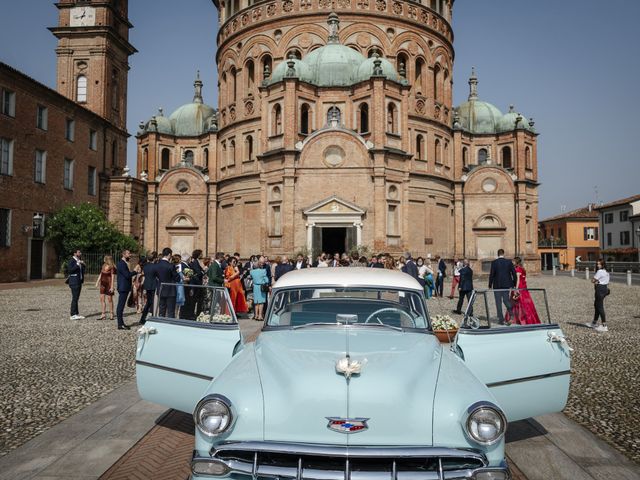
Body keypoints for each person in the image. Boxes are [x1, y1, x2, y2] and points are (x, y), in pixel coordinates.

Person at [506, 257, 540, 325]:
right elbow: (525, 279)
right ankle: (527, 318)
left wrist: (516, 289)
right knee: (526, 304)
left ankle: (518, 319)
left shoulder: (517, 269)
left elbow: (518, 280)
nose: (512, 263)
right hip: (524, 288)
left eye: (513, 261)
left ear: (516, 262)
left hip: (519, 288)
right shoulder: (523, 269)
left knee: (517, 303)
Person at [488, 249, 517, 325]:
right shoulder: (508, 262)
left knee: (498, 302)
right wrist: (514, 284)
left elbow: (492, 274)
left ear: (498, 254)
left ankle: (501, 320)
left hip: (497, 285)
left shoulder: (494, 262)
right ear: (503, 254)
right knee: (506, 300)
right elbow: (514, 273)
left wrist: (490, 284)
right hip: (506, 285)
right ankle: (511, 314)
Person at [115, 250, 139, 330]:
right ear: (124, 254)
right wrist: (135, 271)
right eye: (129, 253)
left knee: (121, 306)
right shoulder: (121, 264)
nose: (130, 255)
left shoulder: (123, 263)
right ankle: (120, 324)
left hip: (124, 287)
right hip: (123, 287)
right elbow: (127, 275)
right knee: (120, 306)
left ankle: (121, 323)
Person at [586, 259, 610, 332]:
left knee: (599, 307)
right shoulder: (606, 271)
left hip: (600, 289)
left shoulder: (599, 271)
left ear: (602, 264)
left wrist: (595, 281)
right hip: (605, 288)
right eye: (597, 264)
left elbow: (593, 280)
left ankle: (604, 325)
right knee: (596, 305)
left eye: (599, 264)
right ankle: (594, 322)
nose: (598, 265)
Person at [155, 247, 179, 318]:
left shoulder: (157, 265)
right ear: (169, 255)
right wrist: (177, 272)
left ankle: (161, 324)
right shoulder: (171, 266)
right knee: (171, 311)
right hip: (170, 291)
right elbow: (177, 278)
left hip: (161, 289)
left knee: (161, 310)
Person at [139, 252, 158, 325]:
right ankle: (152, 318)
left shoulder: (145, 266)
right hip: (153, 285)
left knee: (148, 303)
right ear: (154, 259)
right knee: (153, 303)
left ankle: (142, 318)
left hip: (147, 285)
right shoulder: (155, 266)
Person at [67, 249, 86, 320]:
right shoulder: (72, 260)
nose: (80, 253)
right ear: (75, 253)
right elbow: (70, 270)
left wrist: (83, 265)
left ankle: (76, 313)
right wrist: (77, 264)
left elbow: (81, 271)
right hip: (74, 281)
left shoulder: (79, 260)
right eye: (79, 252)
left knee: (76, 298)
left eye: (80, 252)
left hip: (78, 281)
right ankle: (73, 314)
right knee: (74, 298)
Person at [95, 255, 115, 321]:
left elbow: (112, 277)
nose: (103, 259)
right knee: (102, 299)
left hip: (108, 284)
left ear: (107, 259)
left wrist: (112, 286)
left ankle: (111, 313)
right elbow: (101, 274)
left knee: (110, 299)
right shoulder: (103, 265)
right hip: (102, 284)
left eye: (104, 258)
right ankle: (103, 314)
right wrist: (97, 282)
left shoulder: (112, 267)